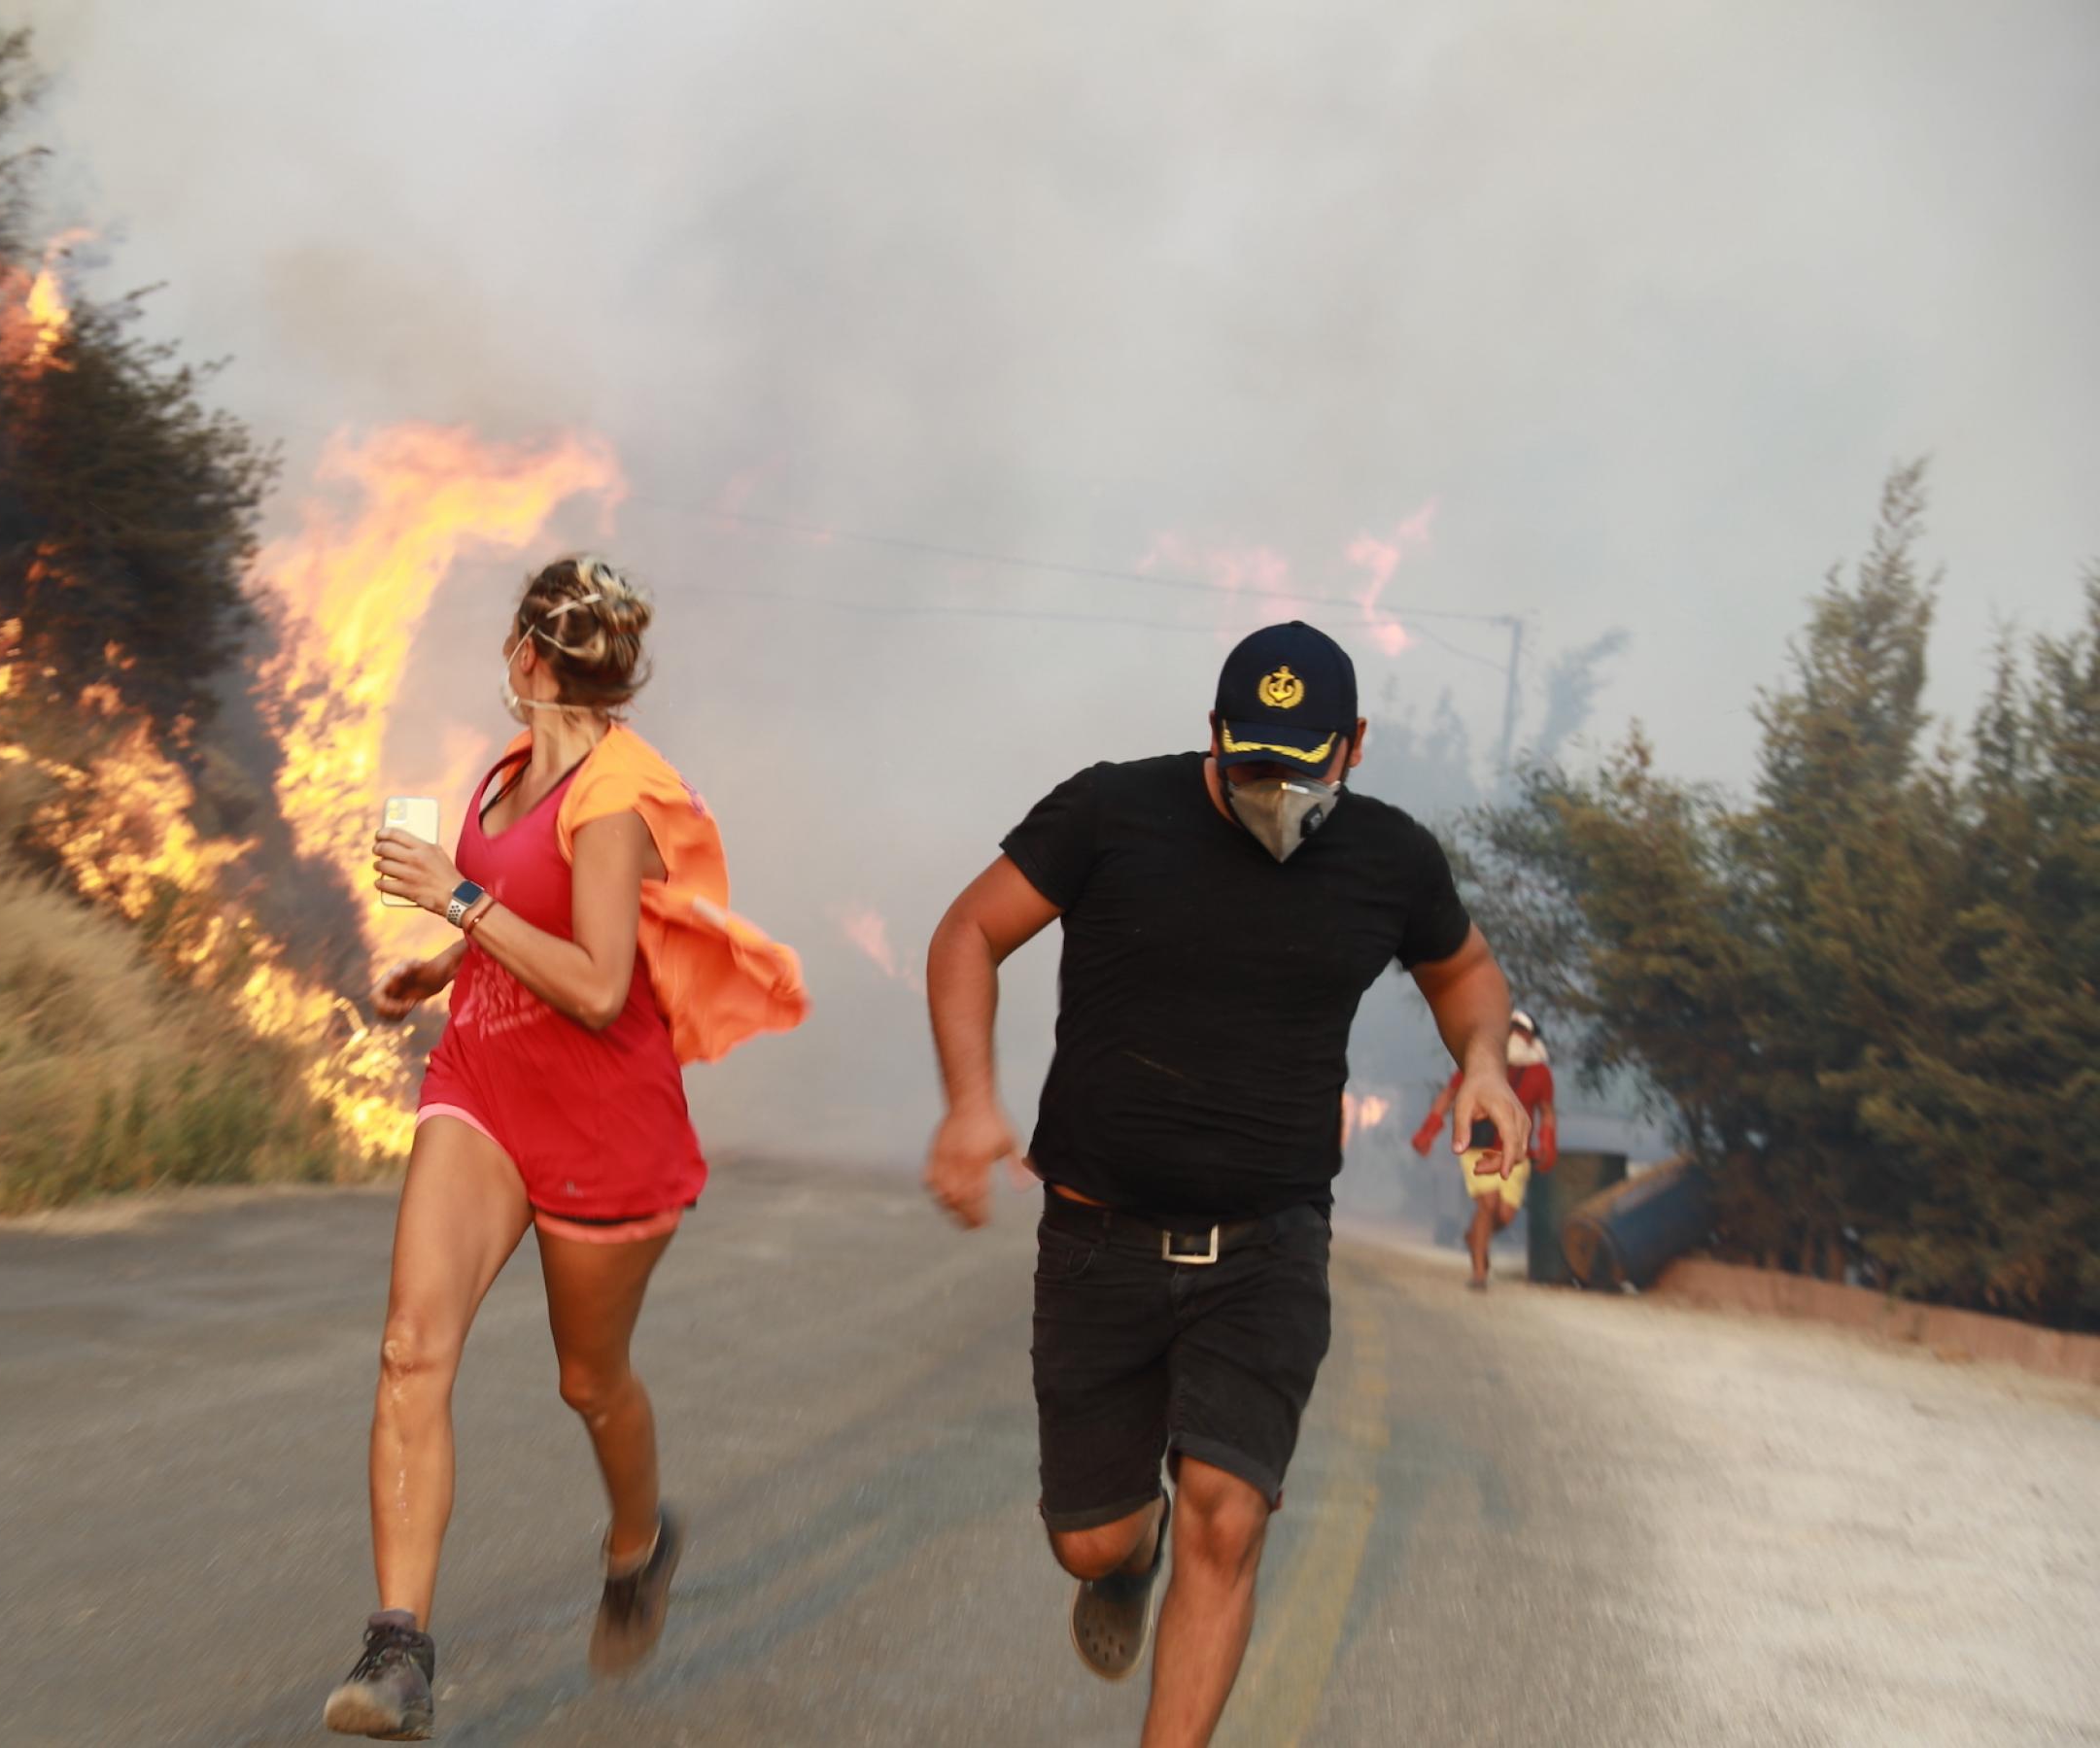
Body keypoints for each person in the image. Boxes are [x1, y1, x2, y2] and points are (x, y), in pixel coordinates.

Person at [919, 621, 1528, 1748]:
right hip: (1098, 1239)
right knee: (1092, 1538)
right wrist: (968, 1099)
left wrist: (1482, 1062)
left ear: (1351, 744)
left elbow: (1465, 971)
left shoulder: (1389, 858)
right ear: (1211, 733)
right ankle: (1126, 1557)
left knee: (1226, 1518)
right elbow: (967, 929)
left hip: (1267, 1245)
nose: (1273, 790)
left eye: (1301, 766)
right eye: (1250, 762)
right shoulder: (1109, 811)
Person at [324, 556, 808, 1740]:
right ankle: (397, 1650)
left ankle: (638, 1543)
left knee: (588, 1380)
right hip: (483, 1081)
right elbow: (521, 906)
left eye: (514, 643)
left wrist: (455, 902)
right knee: (409, 1348)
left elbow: (596, 985)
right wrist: (439, 965)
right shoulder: (507, 770)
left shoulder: (615, 796)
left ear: (528, 656)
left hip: (602, 1122)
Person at [1413, 1010, 1560, 1289]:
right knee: (1488, 1205)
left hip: (1515, 1151)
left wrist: (1548, 1142)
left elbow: (1547, 1111)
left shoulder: (1540, 1074)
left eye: (1522, 1031)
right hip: (1479, 1148)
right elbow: (1450, 1094)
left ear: (1531, 1039)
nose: (1515, 1036)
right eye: (1512, 1029)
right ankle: (1479, 1272)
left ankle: (1475, 1238)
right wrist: (1429, 1129)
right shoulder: (1482, 1064)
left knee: (1504, 1215)